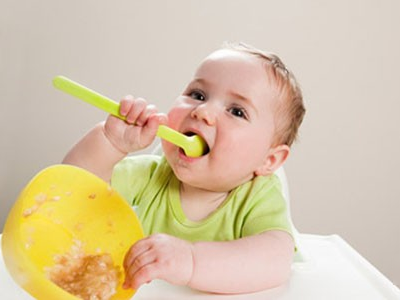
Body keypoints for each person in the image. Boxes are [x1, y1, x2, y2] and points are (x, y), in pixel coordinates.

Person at [62, 42, 305, 294]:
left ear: (269, 160)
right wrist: (110, 142)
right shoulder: (153, 175)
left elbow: (276, 260)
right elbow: (72, 191)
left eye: (236, 111)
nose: (203, 111)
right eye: (198, 95)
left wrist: (190, 261)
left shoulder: (258, 197)